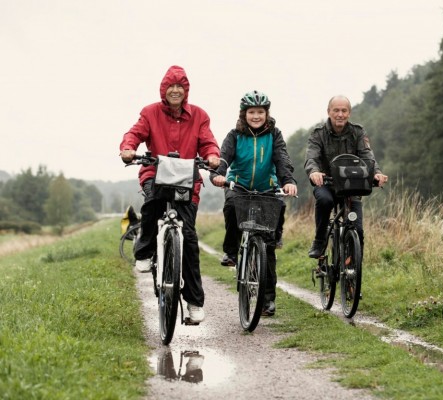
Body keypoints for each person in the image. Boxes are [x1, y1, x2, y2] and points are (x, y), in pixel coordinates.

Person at [119, 65, 221, 323]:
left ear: (186, 91)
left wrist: (212, 155)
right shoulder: (150, 112)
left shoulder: (199, 115)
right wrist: (128, 147)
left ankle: (194, 303)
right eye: (170, 86)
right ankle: (143, 253)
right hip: (155, 172)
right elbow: (135, 133)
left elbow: (208, 141)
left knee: (188, 237)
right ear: (163, 90)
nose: (175, 91)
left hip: (186, 178)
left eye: (180, 87)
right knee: (152, 204)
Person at [211, 90, 297, 316]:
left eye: (260, 112)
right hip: (238, 186)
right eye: (252, 112)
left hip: (267, 186)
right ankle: (231, 251)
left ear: (266, 114)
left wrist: (287, 181)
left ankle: (268, 300)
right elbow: (223, 157)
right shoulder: (234, 135)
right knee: (230, 206)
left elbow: (282, 160)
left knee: (268, 246)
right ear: (244, 114)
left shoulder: (274, 135)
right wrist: (218, 174)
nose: (256, 116)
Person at [304, 95, 388, 258]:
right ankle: (319, 241)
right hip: (326, 183)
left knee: (357, 228)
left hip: (351, 186)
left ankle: (353, 269)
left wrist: (376, 173)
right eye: (336, 110)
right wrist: (314, 172)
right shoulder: (318, 134)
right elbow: (311, 158)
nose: (340, 114)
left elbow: (367, 157)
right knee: (325, 201)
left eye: (344, 111)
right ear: (329, 112)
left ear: (349, 113)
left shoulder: (357, 132)